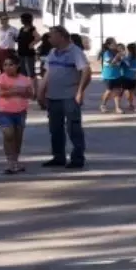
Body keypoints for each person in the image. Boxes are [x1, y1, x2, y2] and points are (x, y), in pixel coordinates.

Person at [38, 26, 91, 169]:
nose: (49, 39)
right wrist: (41, 92)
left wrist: (80, 91)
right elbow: (48, 73)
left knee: (73, 127)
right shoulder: (53, 52)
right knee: (55, 128)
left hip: (69, 96)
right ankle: (58, 156)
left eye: (51, 36)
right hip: (53, 96)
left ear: (61, 36)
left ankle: (77, 157)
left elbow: (86, 71)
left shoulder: (75, 52)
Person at [0, 52, 34, 174]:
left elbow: (30, 94)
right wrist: (18, 90)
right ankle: (9, 161)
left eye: (11, 64)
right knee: (8, 134)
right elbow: (1, 93)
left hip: (20, 111)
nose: (7, 67)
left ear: (17, 65)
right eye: (5, 65)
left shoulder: (24, 79)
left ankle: (15, 160)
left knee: (18, 136)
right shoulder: (0, 79)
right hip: (4, 111)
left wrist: (13, 90)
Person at [98, 38, 124, 114]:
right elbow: (111, 63)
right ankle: (103, 105)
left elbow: (121, 63)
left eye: (115, 42)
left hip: (117, 75)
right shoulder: (107, 53)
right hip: (108, 75)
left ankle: (117, 107)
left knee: (117, 91)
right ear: (109, 45)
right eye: (114, 43)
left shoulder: (116, 52)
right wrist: (118, 56)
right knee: (109, 91)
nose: (116, 44)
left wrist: (122, 56)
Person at [16, 12, 40, 81]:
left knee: (31, 72)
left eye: (22, 19)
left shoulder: (32, 29)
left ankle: (34, 88)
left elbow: (38, 38)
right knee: (22, 71)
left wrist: (32, 44)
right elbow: (20, 39)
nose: (21, 21)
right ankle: (24, 86)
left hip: (29, 52)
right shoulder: (21, 29)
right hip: (21, 52)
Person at [121, 43, 136, 112]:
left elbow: (126, 64)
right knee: (134, 92)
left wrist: (122, 58)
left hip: (126, 77)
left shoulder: (128, 57)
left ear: (129, 49)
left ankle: (129, 105)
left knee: (124, 91)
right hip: (134, 77)